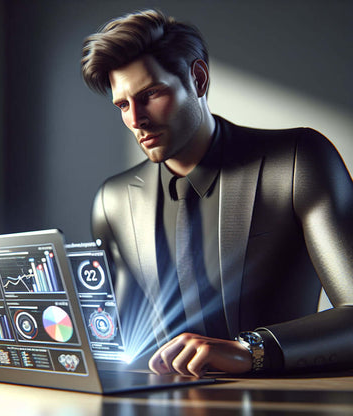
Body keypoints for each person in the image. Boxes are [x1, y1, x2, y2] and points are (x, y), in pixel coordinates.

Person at [81, 9, 353, 377]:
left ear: (197, 78)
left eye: (150, 94)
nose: (135, 119)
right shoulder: (113, 201)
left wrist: (251, 351)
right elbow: (119, 338)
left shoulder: (297, 161)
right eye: (123, 105)